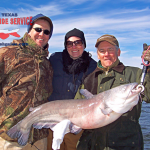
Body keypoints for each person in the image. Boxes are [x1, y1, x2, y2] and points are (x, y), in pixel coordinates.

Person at [74, 34, 150, 150]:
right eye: (102, 51)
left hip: (126, 144)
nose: (106, 54)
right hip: (91, 144)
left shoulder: (135, 74)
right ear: (98, 54)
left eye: (110, 50)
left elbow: (148, 96)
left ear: (118, 52)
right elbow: (76, 107)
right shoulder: (89, 79)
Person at [0, 14, 53, 150]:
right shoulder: (8, 53)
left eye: (46, 32)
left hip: (39, 139)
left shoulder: (47, 65)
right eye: (38, 29)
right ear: (29, 30)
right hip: (11, 137)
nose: (42, 34)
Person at [47, 28, 97, 150]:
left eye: (78, 42)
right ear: (65, 46)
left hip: (76, 121)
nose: (74, 47)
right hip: (52, 118)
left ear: (84, 45)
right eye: (69, 43)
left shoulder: (92, 65)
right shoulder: (55, 59)